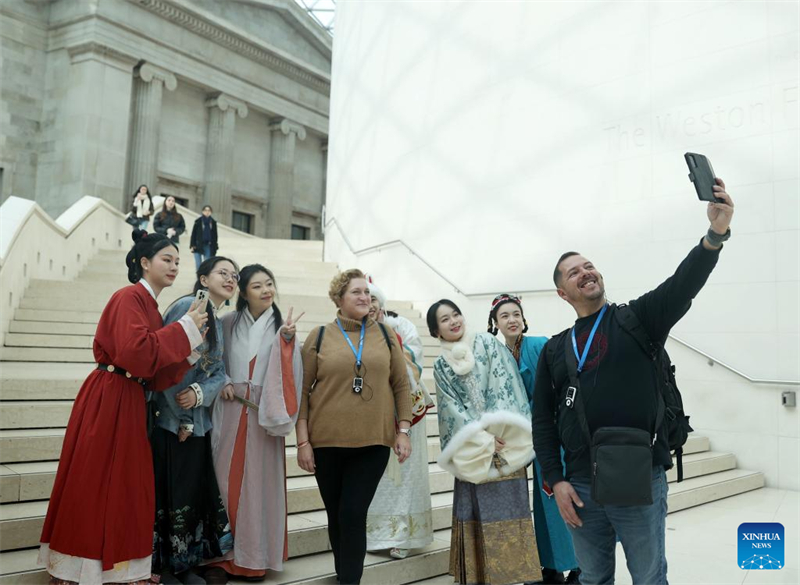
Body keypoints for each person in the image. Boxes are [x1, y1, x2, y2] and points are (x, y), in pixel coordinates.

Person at [532, 179, 735, 585]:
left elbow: (683, 284)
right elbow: (542, 420)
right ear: (562, 292)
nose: (585, 273)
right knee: (592, 578)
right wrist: (556, 480)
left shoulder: (638, 319)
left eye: (588, 266)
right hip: (581, 485)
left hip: (639, 478)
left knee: (648, 576)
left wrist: (715, 235)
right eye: (574, 272)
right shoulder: (555, 350)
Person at [38, 230, 207, 585]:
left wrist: (188, 348)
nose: (174, 266)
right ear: (144, 263)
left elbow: (155, 375)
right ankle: (79, 568)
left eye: (178, 261)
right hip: (109, 394)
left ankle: (115, 568)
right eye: (167, 259)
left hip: (129, 396)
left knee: (124, 483)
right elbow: (136, 351)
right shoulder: (128, 296)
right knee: (95, 478)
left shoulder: (149, 306)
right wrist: (184, 329)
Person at [296, 269, 413, 585]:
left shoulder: (386, 335)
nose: (365, 298)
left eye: (367, 292)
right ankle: (343, 572)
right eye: (356, 292)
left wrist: (403, 430)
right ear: (338, 299)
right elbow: (302, 390)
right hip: (326, 442)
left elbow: (401, 385)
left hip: (372, 443)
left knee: (352, 513)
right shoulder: (319, 336)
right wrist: (303, 442)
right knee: (336, 516)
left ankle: (350, 580)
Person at [428, 299, 541, 585]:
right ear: (436, 331)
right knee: (476, 514)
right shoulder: (441, 365)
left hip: (506, 444)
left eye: (456, 314)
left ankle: (520, 575)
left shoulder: (488, 344)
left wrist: (499, 429)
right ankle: (480, 577)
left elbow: (506, 385)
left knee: (512, 512)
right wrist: (480, 439)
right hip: (474, 452)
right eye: (444, 320)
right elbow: (450, 410)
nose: (453, 321)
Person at [205, 264, 304, 580]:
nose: (266, 290)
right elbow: (211, 363)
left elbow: (291, 375)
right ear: (244, 292)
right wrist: (222, 382)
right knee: (224, 482)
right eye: (258, 285)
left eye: (270, 284)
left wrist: (286, 341)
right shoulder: (228, 322)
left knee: (259, 487)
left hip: (264, 414)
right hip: (230, 410)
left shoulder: (281, 326)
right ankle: (221, 556)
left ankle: (253, 557)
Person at [151, 257, 241, 585]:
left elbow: (219, 373)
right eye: (222, 273)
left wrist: (200, 394)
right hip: (174, 424)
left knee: (189, 494)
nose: (230, 278)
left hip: (199, 422)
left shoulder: (215, 315)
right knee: (170, 493)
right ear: (203, 278)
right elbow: (167, 365)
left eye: (234, 275)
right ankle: (161, 567)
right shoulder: (189, 306)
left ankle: (184, 564)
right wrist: (185, 418)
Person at [488, 294, 579, 585]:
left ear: (523, 319)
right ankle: (551, 564)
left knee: (559, 497)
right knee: (543, 502)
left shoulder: (540, 345)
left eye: (516, 314)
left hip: (554, 433)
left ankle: (580, 566)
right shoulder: (499, 355)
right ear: (495, 323)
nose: (512, 320)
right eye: (505, 316)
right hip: (528, 439)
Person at [365, 280, 434, 560]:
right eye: (362, 298)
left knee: (405, 476)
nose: (368, 304)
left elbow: (413, 366)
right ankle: (372, 533)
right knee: (373, 477)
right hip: (371, 414)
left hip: (406, 412)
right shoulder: (353, 330)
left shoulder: (402, 326)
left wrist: (390, 342)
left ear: (381, 304)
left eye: (373, 299)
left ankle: (402, 536)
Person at [190, 205, 219, 270]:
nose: (207, 212)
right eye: (205, 210)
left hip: (208, 245)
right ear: (202, 211)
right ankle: (199, 279)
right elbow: (193, 234)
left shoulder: (213, 222)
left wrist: (215, 246)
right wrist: (192, 245)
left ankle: (205, 278)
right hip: (198, 245)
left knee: (207, 264)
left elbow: (215, 235)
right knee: (198, 265)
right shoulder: (198, 221)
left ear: (211, 212)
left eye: (209, 210)